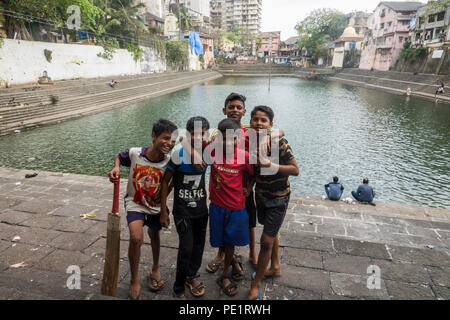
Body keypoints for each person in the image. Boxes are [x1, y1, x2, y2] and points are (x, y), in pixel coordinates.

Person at [108, 119, 178, 300]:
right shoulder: (135, 154)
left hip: (155, 207)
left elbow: (171, 182)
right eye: (165, 138)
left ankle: (155, 268)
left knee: (154, 236)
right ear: (153, 136)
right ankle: (134, 278)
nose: (169, 143)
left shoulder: (169, 161)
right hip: (135, 203)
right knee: (136, 237)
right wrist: (116, 168)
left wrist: (164, 209)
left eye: (172, 140)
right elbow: (119, 156)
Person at [248, 105, 299, 300]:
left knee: (266, 240)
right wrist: (249, 185)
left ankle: (255, 284)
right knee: (271, 232)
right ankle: (275, 266)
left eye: (264, 120)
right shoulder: (251, 140)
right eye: (255, 120)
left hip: (279, 197)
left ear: (271, 124)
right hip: (260, 195)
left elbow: (295, 170)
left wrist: (272, 165)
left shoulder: (280, 143)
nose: (259, 123)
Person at [206, 93, 257, 279]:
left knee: (245, 224)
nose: (235, 110)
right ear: (224, 110)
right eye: (231, 107)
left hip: (241, 193)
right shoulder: (216, 133)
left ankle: (246, 255)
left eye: (238, 107)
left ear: (244, 111)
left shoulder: (250, 131)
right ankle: (223, 256)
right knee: (221, 228)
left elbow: (273, 132)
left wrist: (249, 186)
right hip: (221, 192)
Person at [160, 117, 210, 299]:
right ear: (188, 134)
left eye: (202, 134)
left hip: (201, 211)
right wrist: (163, 210)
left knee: (198, 247)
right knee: (186, 248)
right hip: (183, 212)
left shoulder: (208, 153)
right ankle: (178, 287)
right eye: (194, 133)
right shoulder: (178, 155)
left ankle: (192, 275)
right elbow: (166, 182)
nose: (198, 137)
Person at [209, 118, 254, 296]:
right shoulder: (212, 152)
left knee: (231, 243)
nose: (229, 142)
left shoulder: (245, 157)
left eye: (233, 138)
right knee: (220, 241)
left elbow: (253, 174)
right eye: (225, 138)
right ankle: (228, 265)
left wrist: (248, 188)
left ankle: (225, 271)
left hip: (236, 208)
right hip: (217, 206)